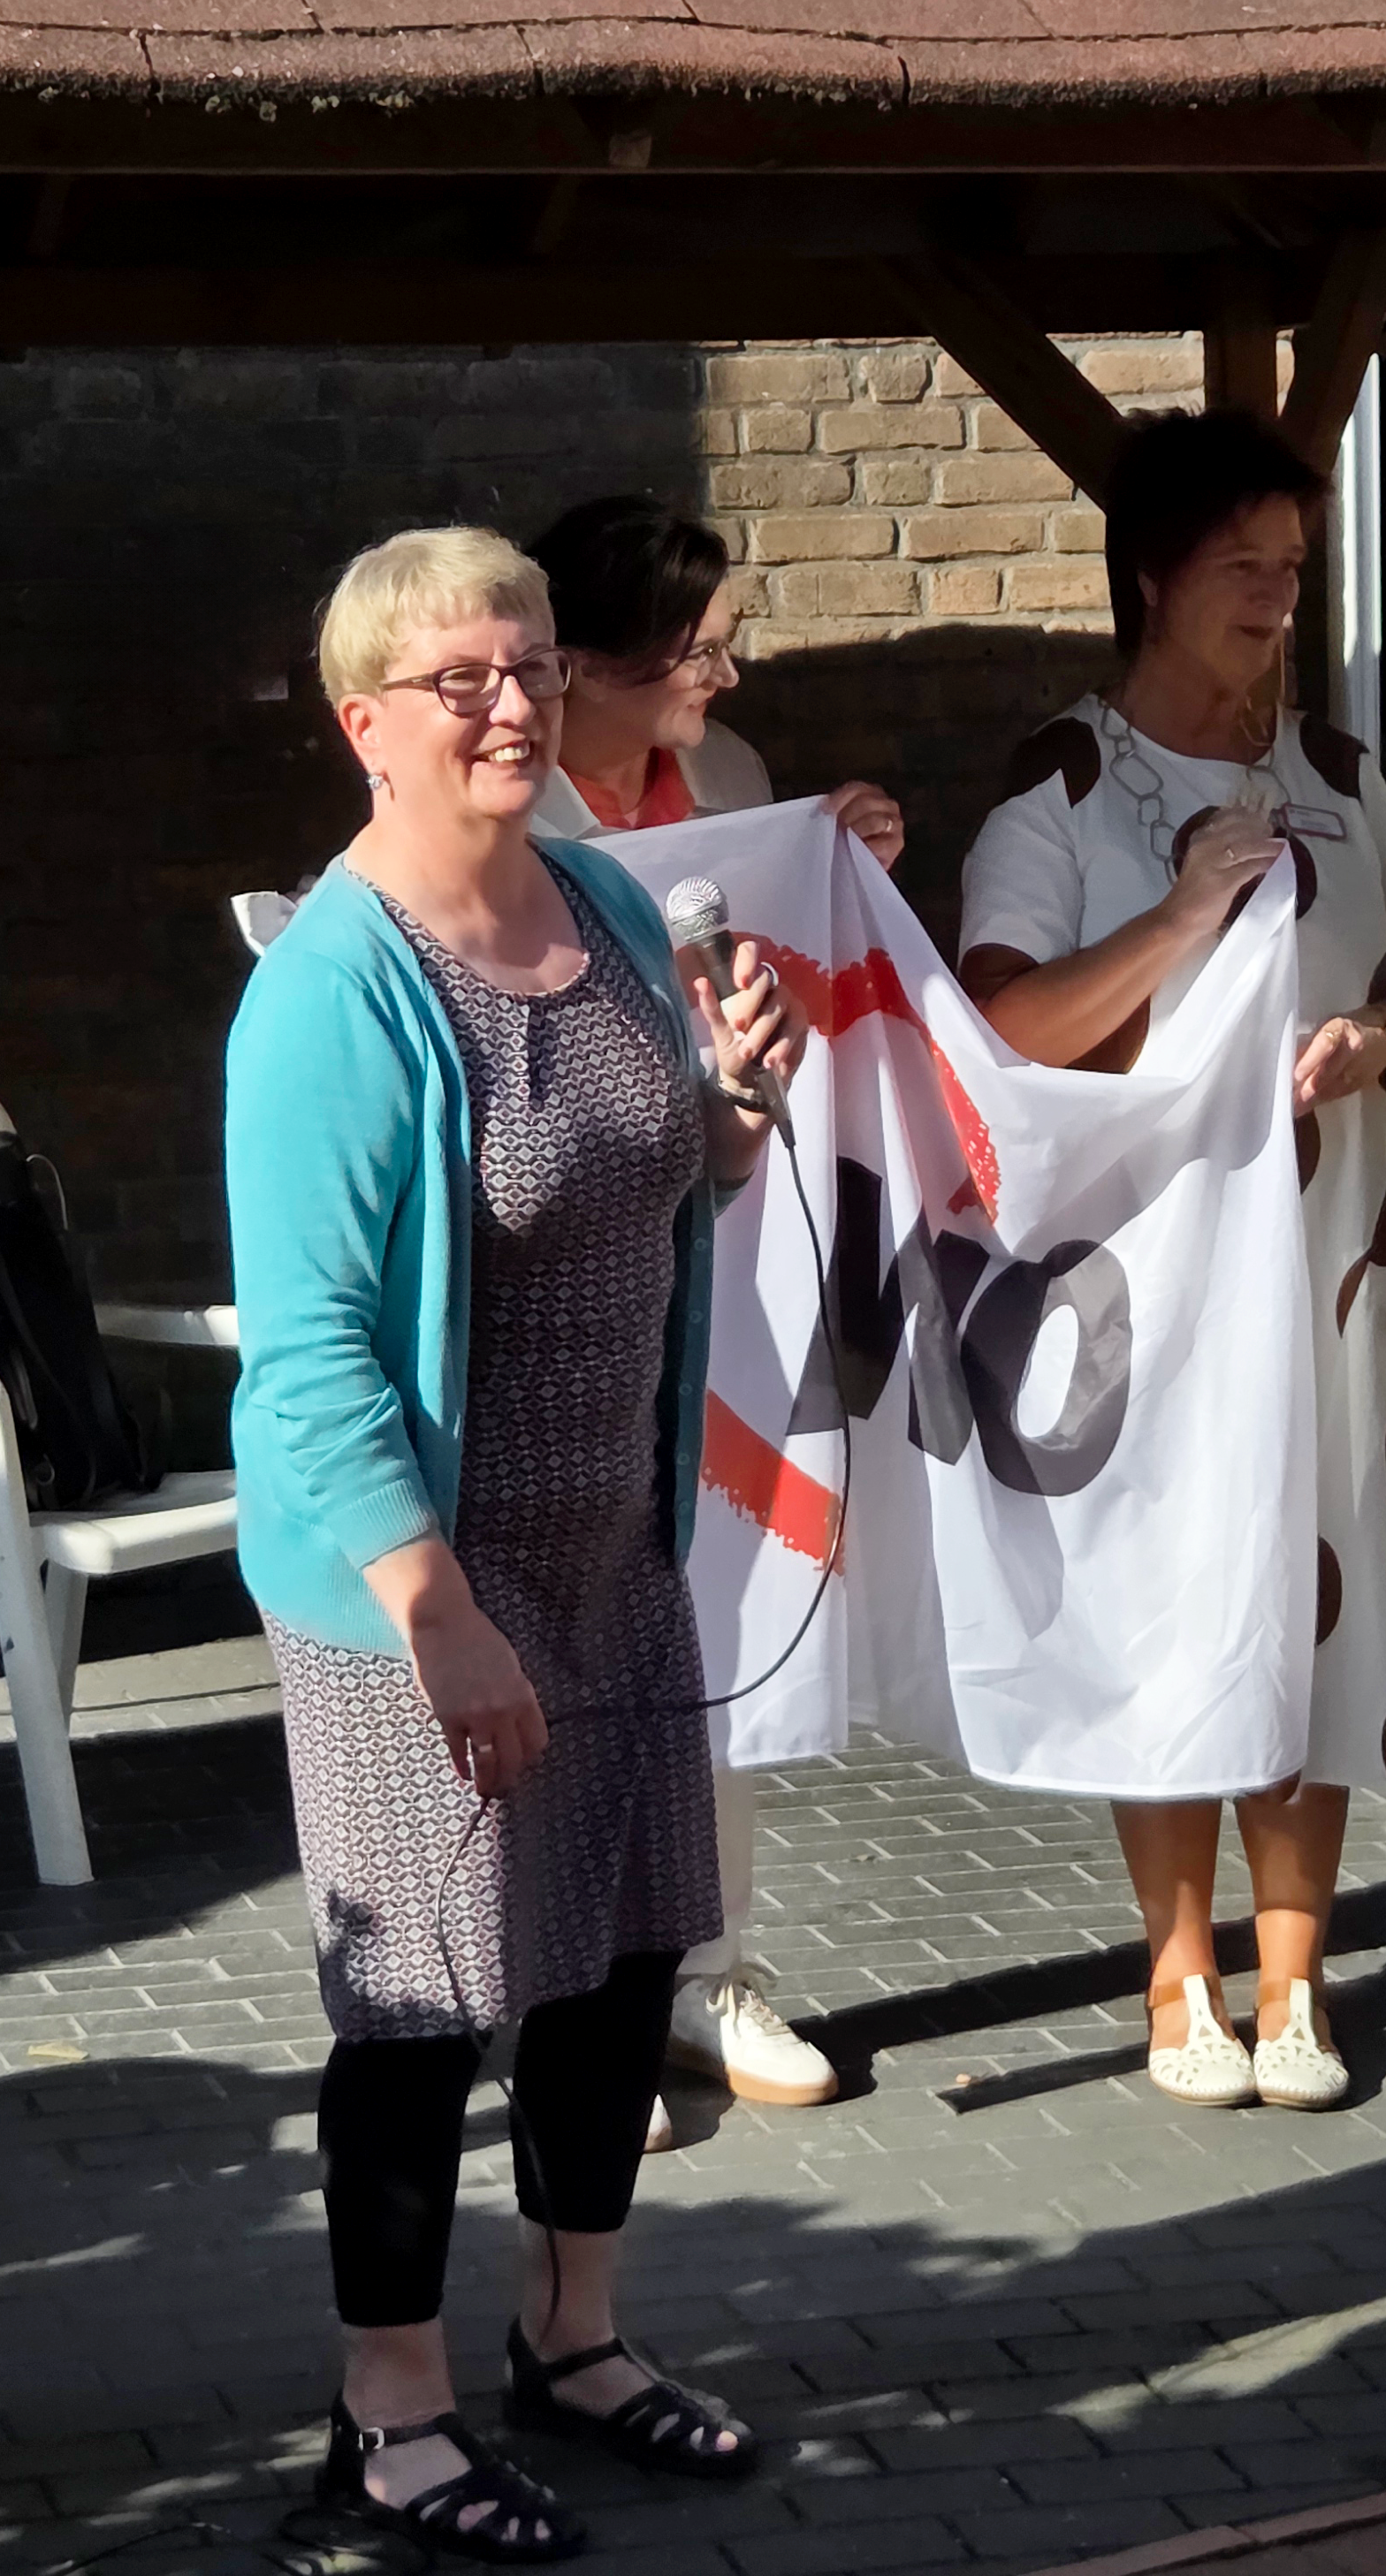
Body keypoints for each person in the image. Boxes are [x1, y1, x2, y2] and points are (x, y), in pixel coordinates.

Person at [225, 527, 811, 2562]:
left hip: (611, 1544)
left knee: (618, 1954)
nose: (510, 706)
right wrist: (437, 1614)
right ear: (362, 721)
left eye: (535, 666)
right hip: (417, 1583)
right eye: (461, 677)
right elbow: (309, 1344)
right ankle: (387, 2413)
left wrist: (731, 1114)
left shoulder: (609, 909)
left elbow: (651, 1185)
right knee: (421, 1996)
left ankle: (575, 2337)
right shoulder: (332, 989)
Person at [956, 410, 1386, 2113]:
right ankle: (1178, 1970)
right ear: (1148, 575)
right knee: (1178, 1588)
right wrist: (1177, 921)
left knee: (1323, 1584)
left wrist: (1378, 1042)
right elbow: (1000, 1030)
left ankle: (1295, 1974)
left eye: (1293, 569)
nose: (1274, 600)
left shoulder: (1336, 771)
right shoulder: (1064, 780)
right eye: (1241, 567)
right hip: (1153, 1274)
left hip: (1335, 1256)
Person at [524, 492, 905, 2133]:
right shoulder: (507, 792)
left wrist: (839, 857)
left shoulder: (735, 783)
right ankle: (556, 1995)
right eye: (701, 651)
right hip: (557, 1254)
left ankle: (705, 1965)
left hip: (726, 1237)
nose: (726, 680)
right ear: (599, 661)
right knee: (560, 1609)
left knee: (715, 1590)